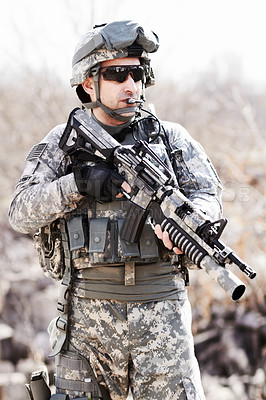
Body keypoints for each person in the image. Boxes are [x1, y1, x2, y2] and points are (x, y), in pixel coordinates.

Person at [9, 20, 223, 400]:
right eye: (117, 74)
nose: (131, 85)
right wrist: (76, 185)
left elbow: (208, 197)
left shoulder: (171, 139)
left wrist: (187, 222)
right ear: (88, 83)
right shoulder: (63, 143)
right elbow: (21, 212)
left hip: (163, 321)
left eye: (138, 74)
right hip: (87, 324)